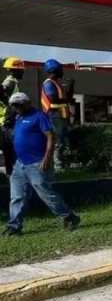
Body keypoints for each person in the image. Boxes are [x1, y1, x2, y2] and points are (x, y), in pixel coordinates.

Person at [2, 93, 80, 236]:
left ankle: (69, 217)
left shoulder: (39, 116)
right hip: (20, 165)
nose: (16, 108)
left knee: (47, 195)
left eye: (19, 105)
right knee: (17, 197)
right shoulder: (19, 118)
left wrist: (47, 158)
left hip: (37, 163)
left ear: (27, 103)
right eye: (14, 105)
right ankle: (14, 226)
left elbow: (51, 136)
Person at [40, 59, 74, 168]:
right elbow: (53, 99)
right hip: (54, 116)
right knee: (58, 142)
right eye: (61, 69)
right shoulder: (49, 84)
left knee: (64, 142)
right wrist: (67, 101)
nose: (62, 71)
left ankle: (64, 165)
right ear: (55, 70)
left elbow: (67, 97)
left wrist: (71, 86)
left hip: (61, 117)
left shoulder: (56, 84)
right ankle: (58, 167)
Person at [0, 56, 25, 175]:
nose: (23, 72)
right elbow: (2, 94)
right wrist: (10, 105)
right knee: (12, 148)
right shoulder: (9, 83)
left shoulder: (13, 82)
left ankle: (13, 173)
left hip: (9, 119)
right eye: (21, 69)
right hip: (7, 120)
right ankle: (13, 173)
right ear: (13, 70)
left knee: (10, 148)